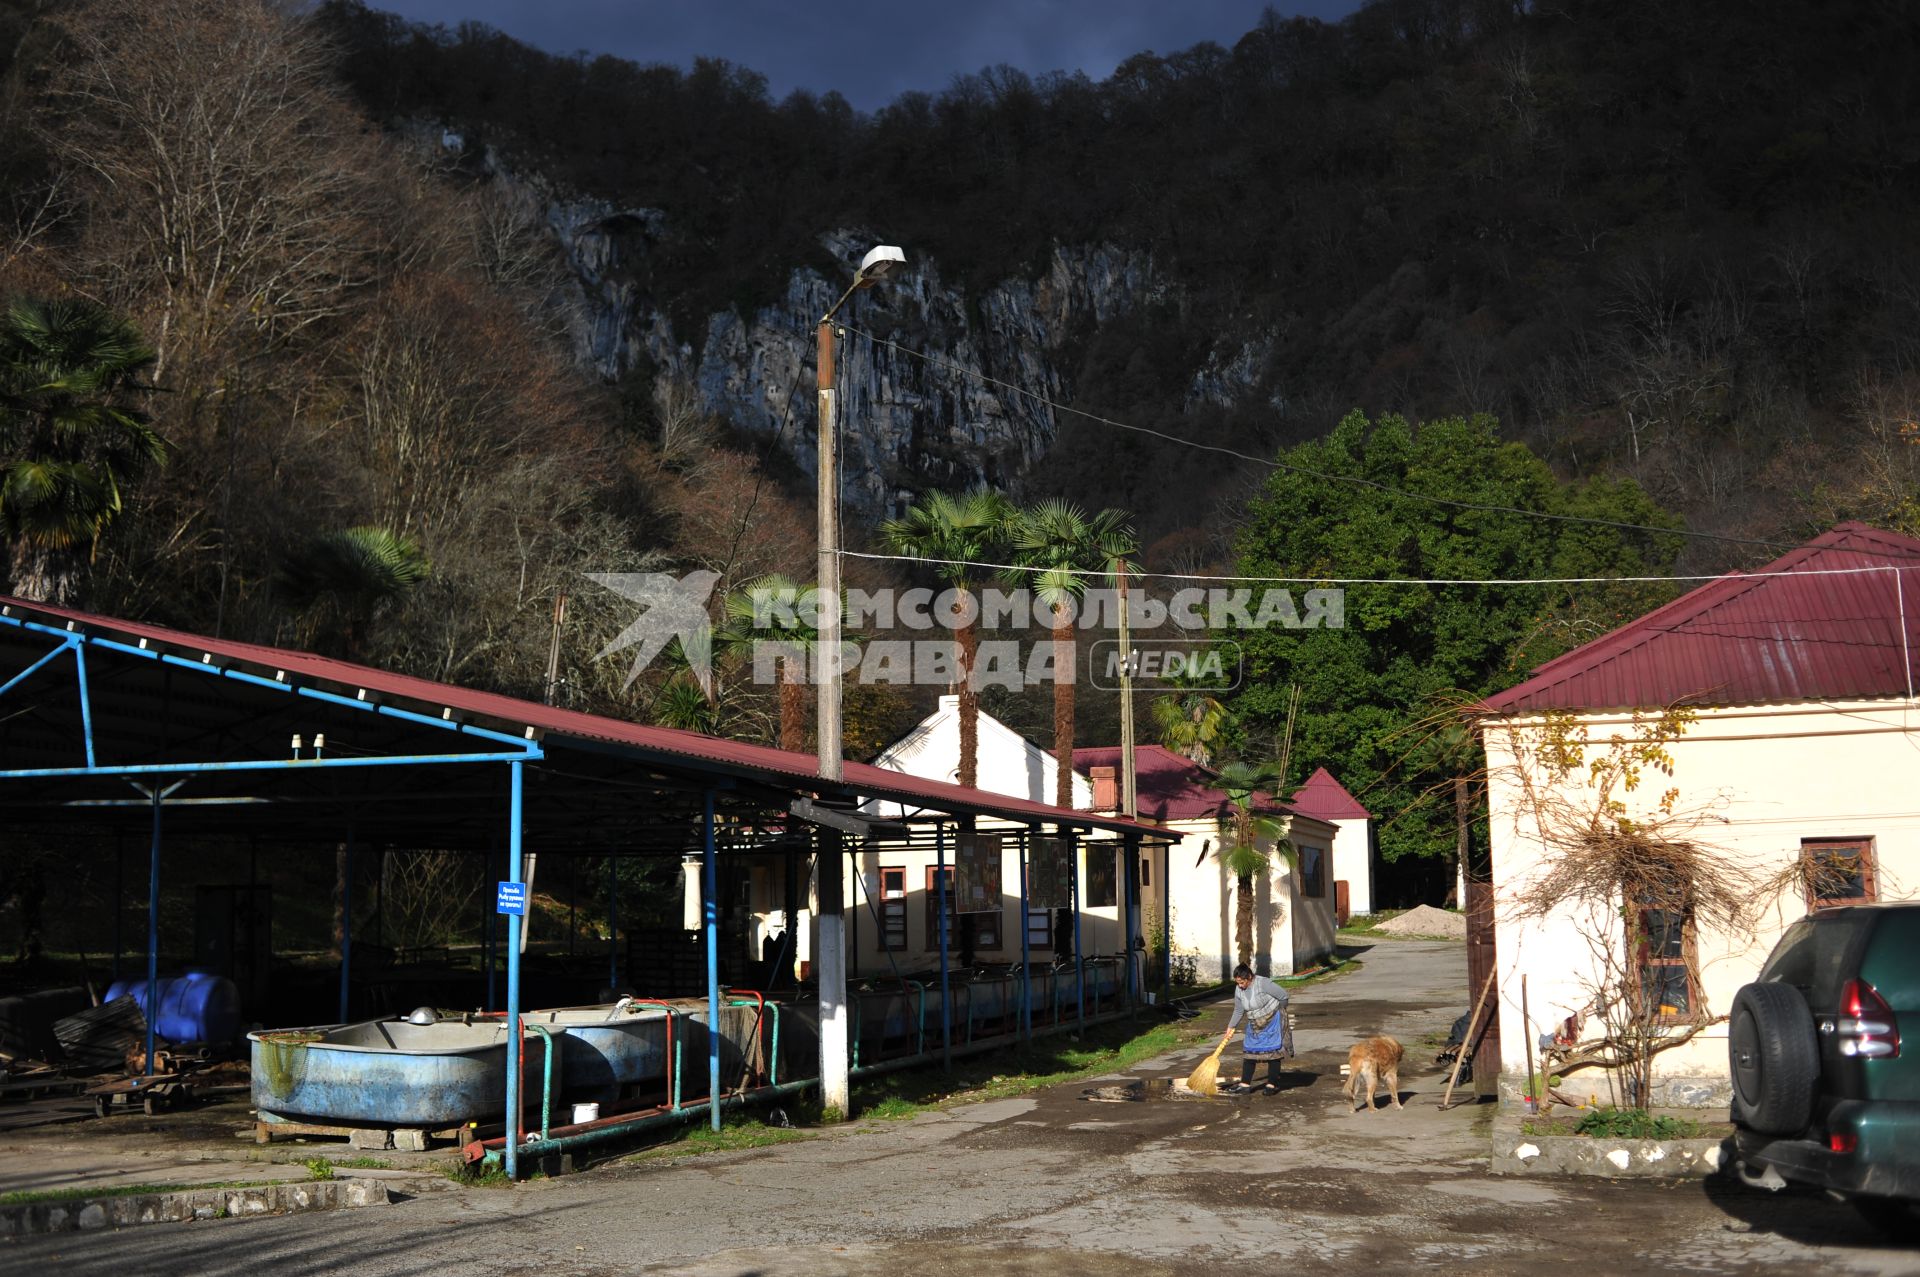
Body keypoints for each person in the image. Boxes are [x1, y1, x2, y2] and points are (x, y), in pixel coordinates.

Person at [1216, 962, 1291, 1094]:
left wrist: (1279, 1013)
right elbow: (1239, 1010)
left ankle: (1271, 1085)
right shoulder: (1239, 989)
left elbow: (1283, 996)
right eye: (1237, 983)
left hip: (1273, 1020)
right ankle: (1245, 1085)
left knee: (1273, 1053)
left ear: (1249, 977)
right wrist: (1230, 1026)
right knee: (1249, 1052)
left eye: (1242, 982)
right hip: (1254, 1023)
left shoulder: (1263, 983)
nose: (1240, 986)